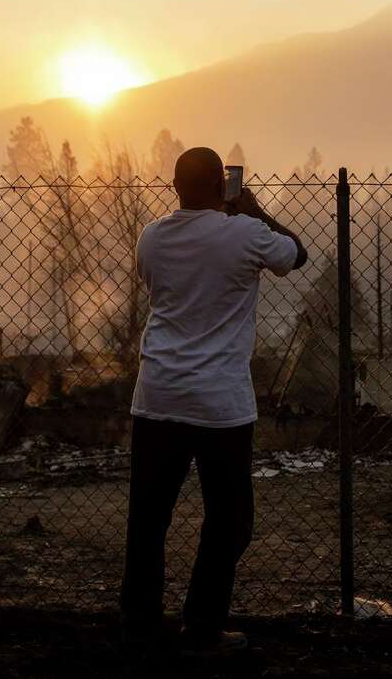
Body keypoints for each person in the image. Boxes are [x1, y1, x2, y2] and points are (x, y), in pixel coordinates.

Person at [120, 146, 308, 655]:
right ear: (220, 186)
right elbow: (297, 254)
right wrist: (252, 209)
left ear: (176, 186)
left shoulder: (152, 236)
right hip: (220, 405)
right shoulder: (245, 233)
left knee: (148, 520)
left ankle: (139, 624)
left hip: (157, 396)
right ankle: (202, 625)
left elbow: (159, 285)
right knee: (228, 520)